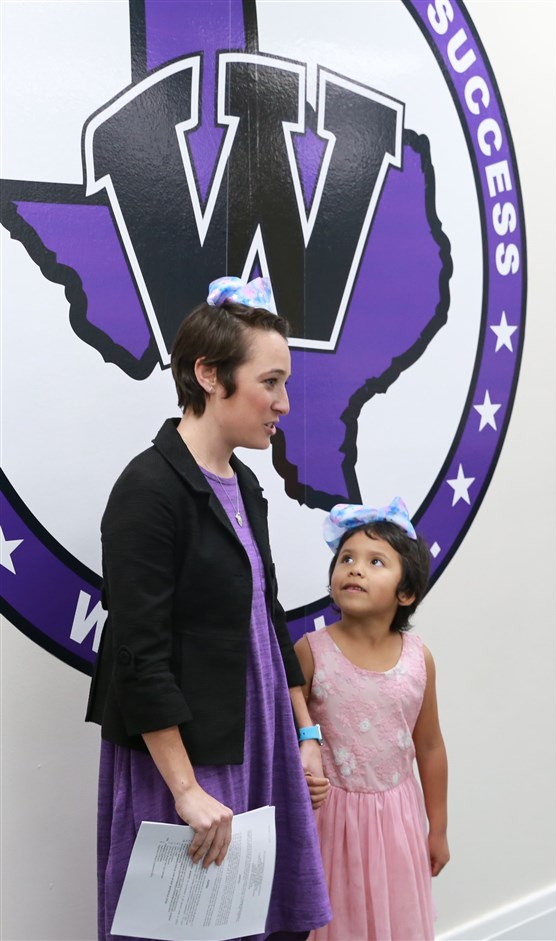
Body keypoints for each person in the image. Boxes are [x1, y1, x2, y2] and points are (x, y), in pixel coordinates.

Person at [86, 276, 332, 941]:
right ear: (208, 373)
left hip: (258, 737)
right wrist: (186, 789)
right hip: (189, 754)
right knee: (188, 930)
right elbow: (139, 651)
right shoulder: (147, 490)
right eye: (271, 381)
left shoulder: (245, 485)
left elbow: (267, 613)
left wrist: (304, 732)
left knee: (266, 924)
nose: (284, 402)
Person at [295, 499, 449, 941]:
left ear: (406, 593)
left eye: (375, 561)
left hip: (397, 820)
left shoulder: (420, 659)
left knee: (393, 921)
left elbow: (431, 746)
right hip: (330, 822)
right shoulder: (311, 651)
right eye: (346, 559)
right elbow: (287, 735)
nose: (355, 569)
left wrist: (436, 828)